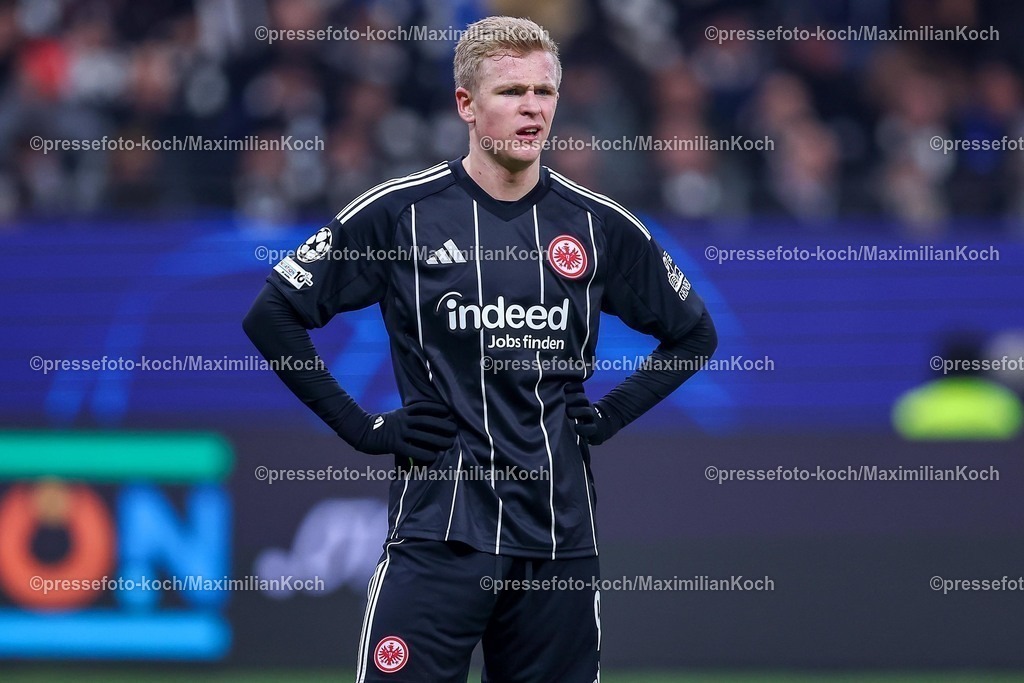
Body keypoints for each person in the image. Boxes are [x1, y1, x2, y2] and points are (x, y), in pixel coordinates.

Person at [243, 15, 717, 682]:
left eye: (544, 92)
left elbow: (694, 333)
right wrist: (363, 427)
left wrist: (612, 413)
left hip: (559, 544)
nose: (532, 108)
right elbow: (273, 313)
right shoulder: (400, 213)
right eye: (511, 91)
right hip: (437, 536)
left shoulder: (599, 225)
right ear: (466, 104)